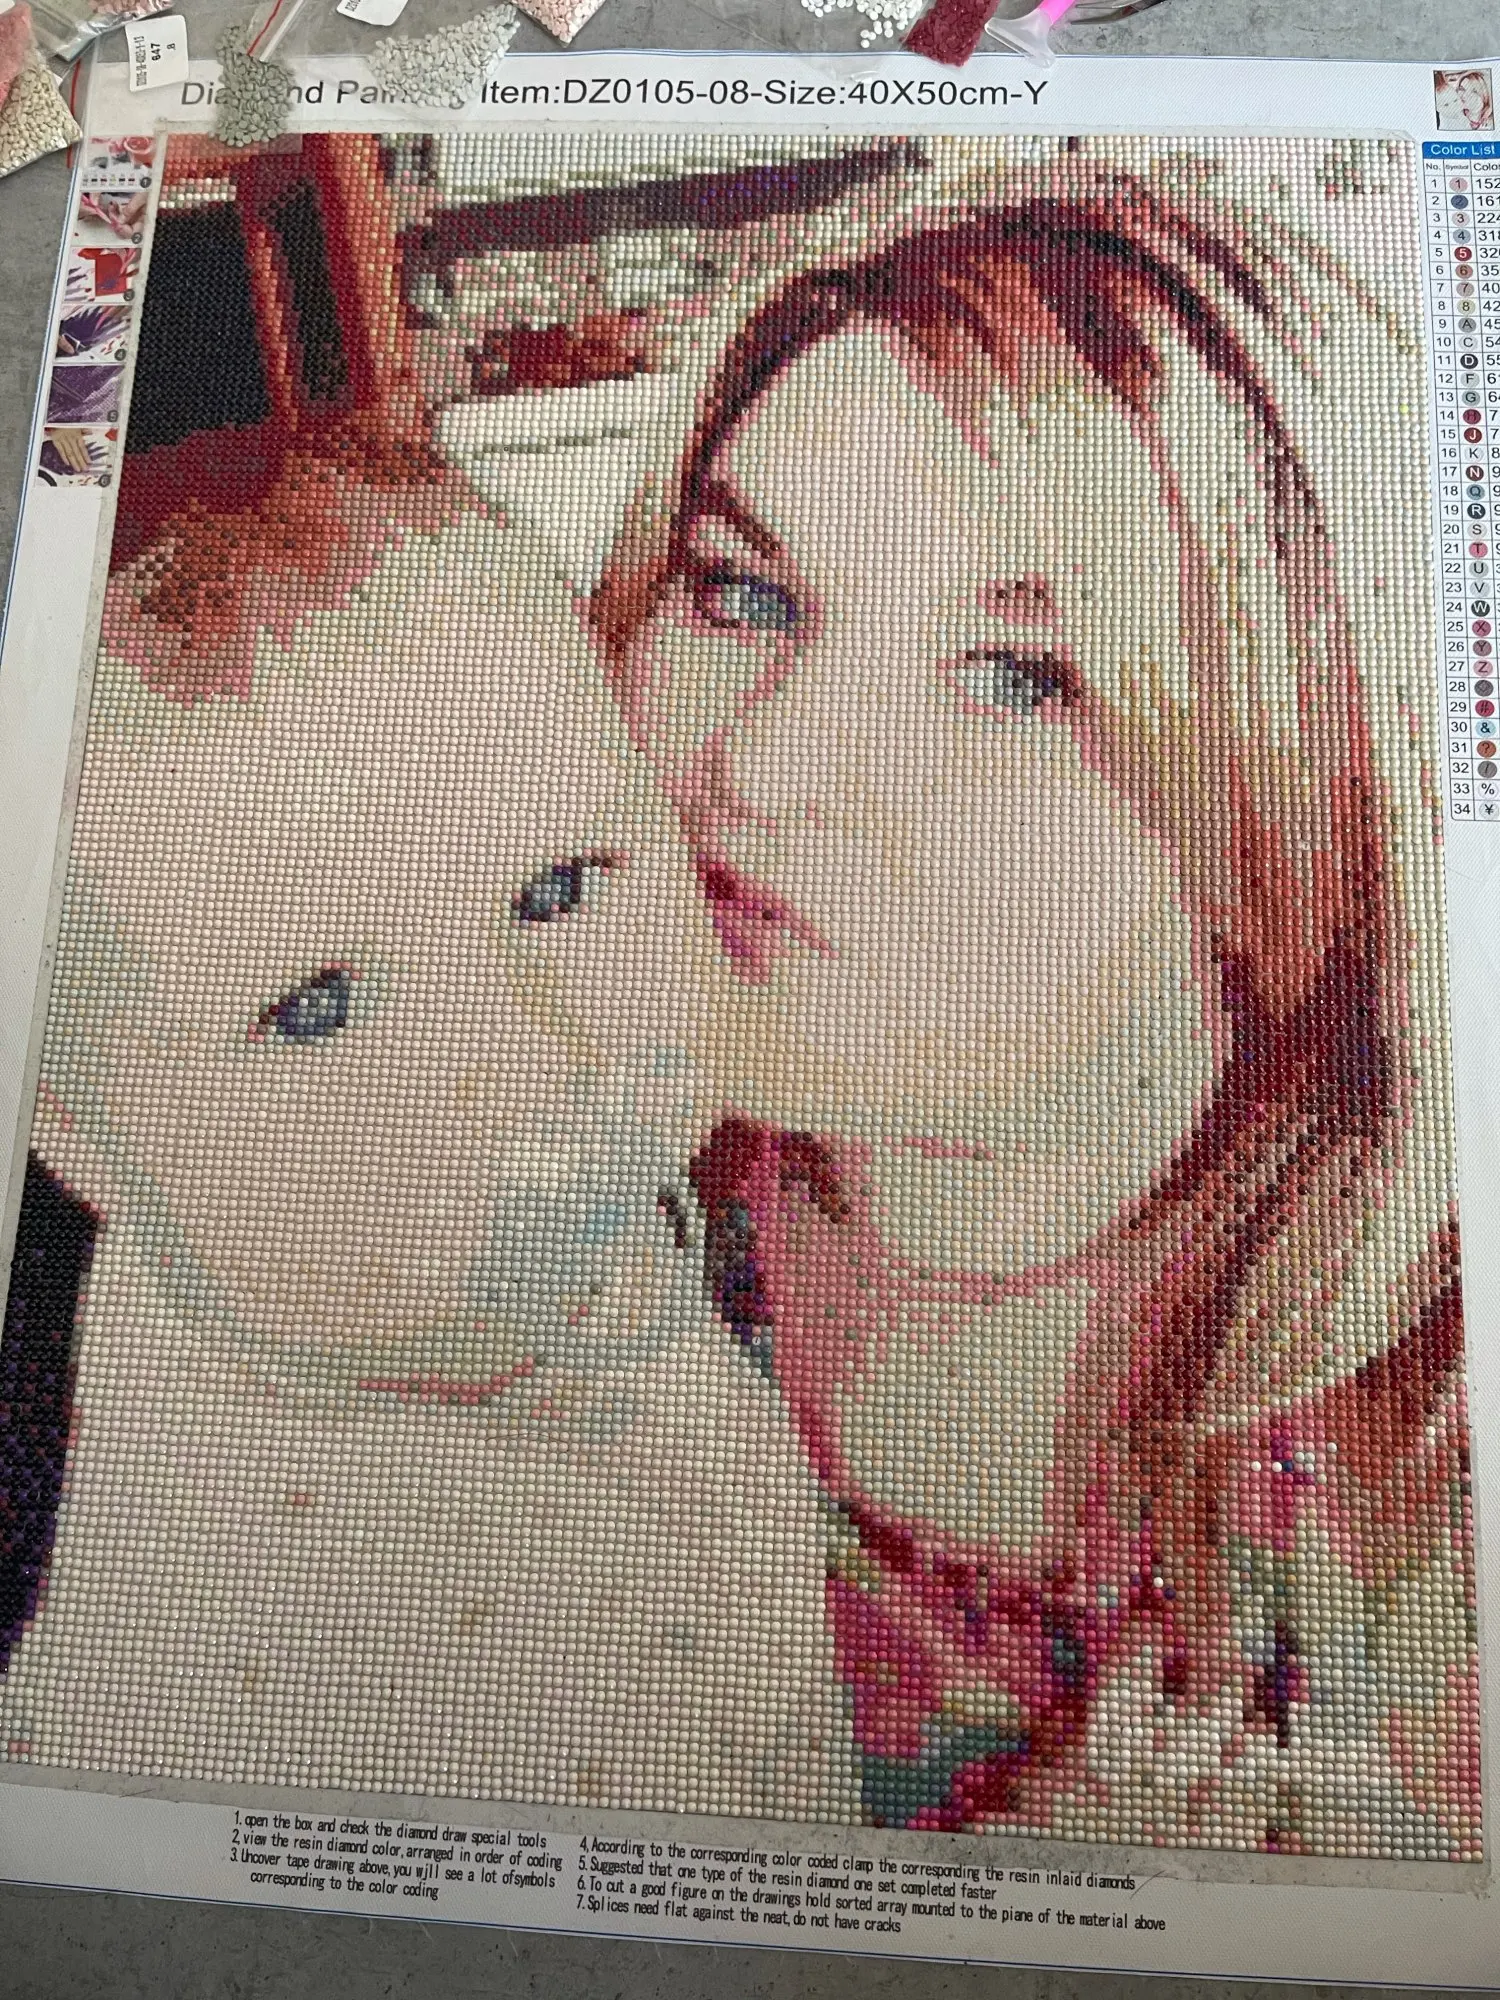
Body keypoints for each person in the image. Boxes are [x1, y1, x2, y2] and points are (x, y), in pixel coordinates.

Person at [594, 173, 1476, 1852]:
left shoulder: (1433, 1458)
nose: (764, 764)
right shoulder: (544, 1203)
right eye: (741, 592)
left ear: (1298, 812)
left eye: (1018, 679)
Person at [0, 133, 854, 1816]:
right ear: (80, 1136)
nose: (527, 1056)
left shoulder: (398, 1268)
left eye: (557, 889)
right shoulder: (388, 1663)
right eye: (316, 1008)